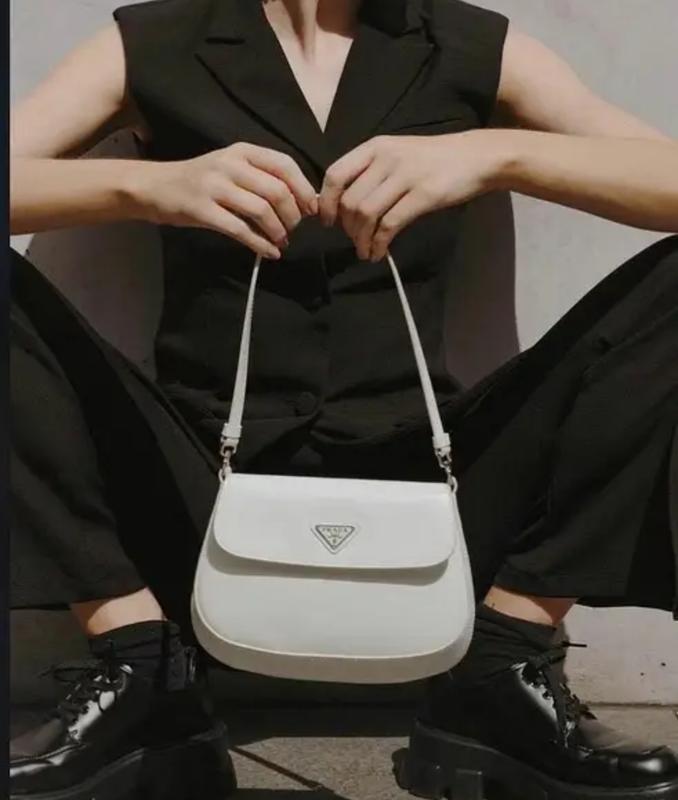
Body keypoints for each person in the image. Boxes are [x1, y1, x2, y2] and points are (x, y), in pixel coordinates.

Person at [8, 0, 678, 798]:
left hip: (437, 499)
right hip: (194, 497)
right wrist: (147, 185)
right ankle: (143, 671)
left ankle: (501, 669)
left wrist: (497, 155)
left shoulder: (466, 42)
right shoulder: (158, 39)